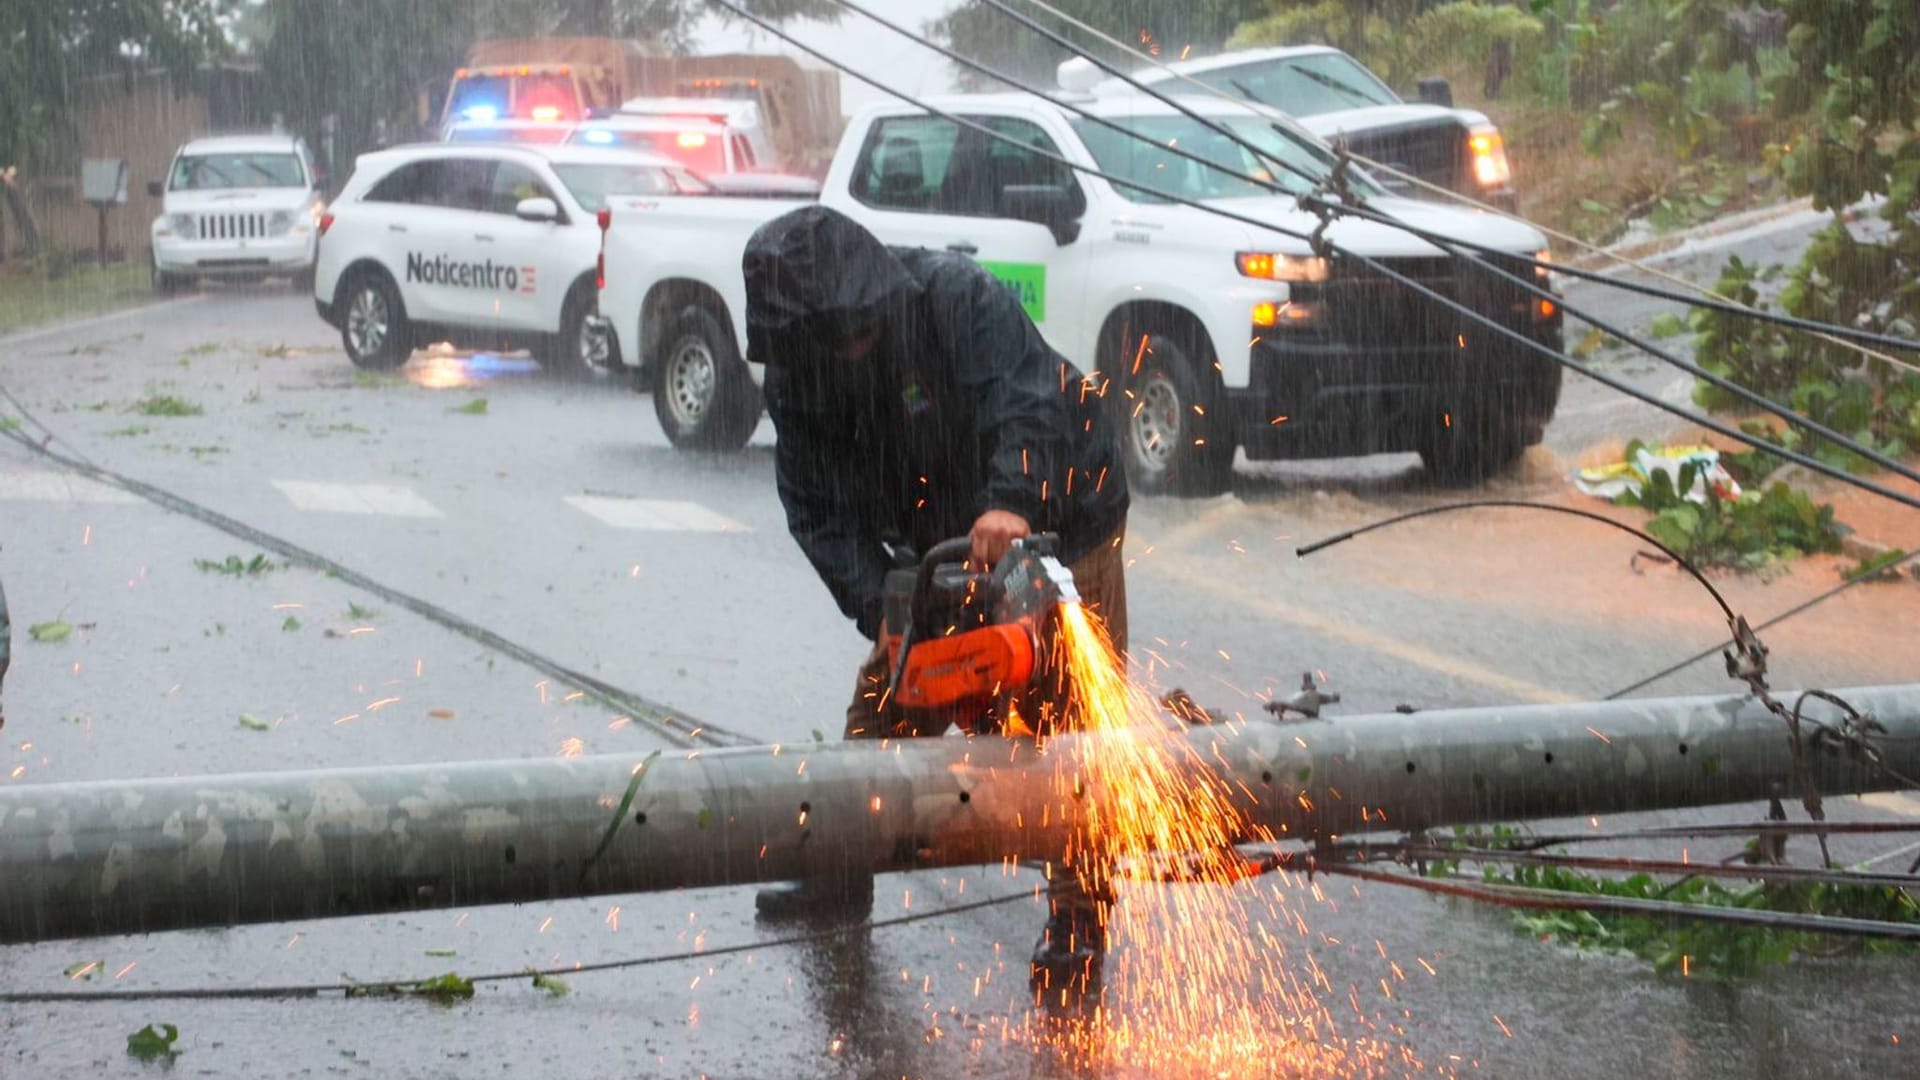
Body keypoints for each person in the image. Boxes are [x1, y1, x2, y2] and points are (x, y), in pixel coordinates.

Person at [741, 205, 1129, 991]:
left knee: (1074, 720)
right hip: (938, 545)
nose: (850, 347)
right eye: (831, 337)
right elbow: (816, 509)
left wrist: (1013, 499)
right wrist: (882, 611)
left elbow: (1030, 397)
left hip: (1059, 511)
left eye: (858, 329)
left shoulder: (956, 298)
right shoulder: (800, 380)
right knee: (883, 704)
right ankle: (840, 873)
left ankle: (1077, 912)